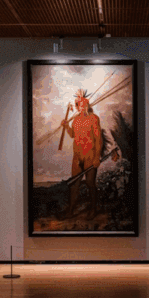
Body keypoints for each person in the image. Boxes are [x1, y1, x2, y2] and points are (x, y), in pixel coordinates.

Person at [61, 89, 103, 218]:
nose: (81, 107)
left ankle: (93, 209)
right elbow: (73, 135)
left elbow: (98, 139)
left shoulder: (94, 119)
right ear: (77, 107)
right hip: (77, 157)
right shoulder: (76, 120)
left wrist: (97, 157)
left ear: (87, 106)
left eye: (83, 105)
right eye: (78, 105)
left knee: (90, 183)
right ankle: (71, 210)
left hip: (90, 156)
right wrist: (66, 127)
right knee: (74, 184)